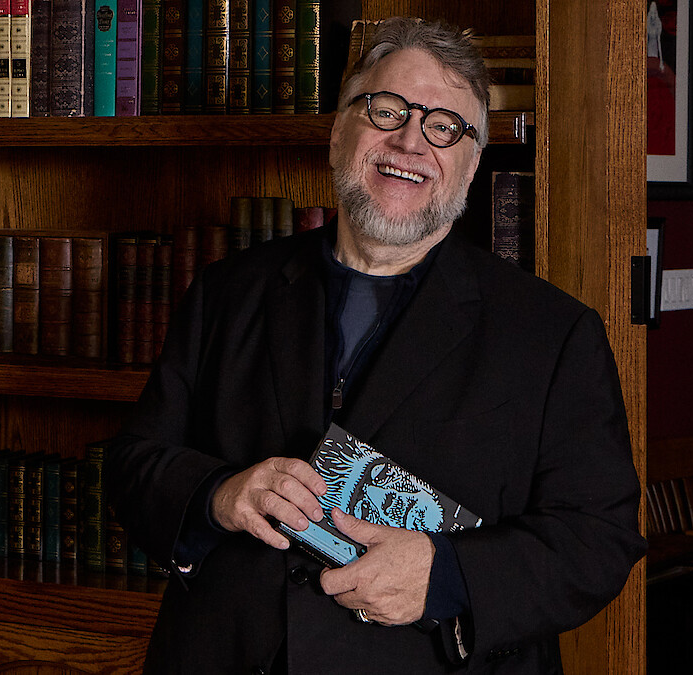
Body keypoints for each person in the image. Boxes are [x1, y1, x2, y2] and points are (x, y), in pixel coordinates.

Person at [106, 16, 646, 674]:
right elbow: (133, 465)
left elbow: (598, 539)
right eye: (386, 109)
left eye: (444, 125)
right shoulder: (227, 291)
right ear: (339, 134)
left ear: (471, 165)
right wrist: (221, 494)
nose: (410, 140)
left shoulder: (555, 334)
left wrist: (447, 574)